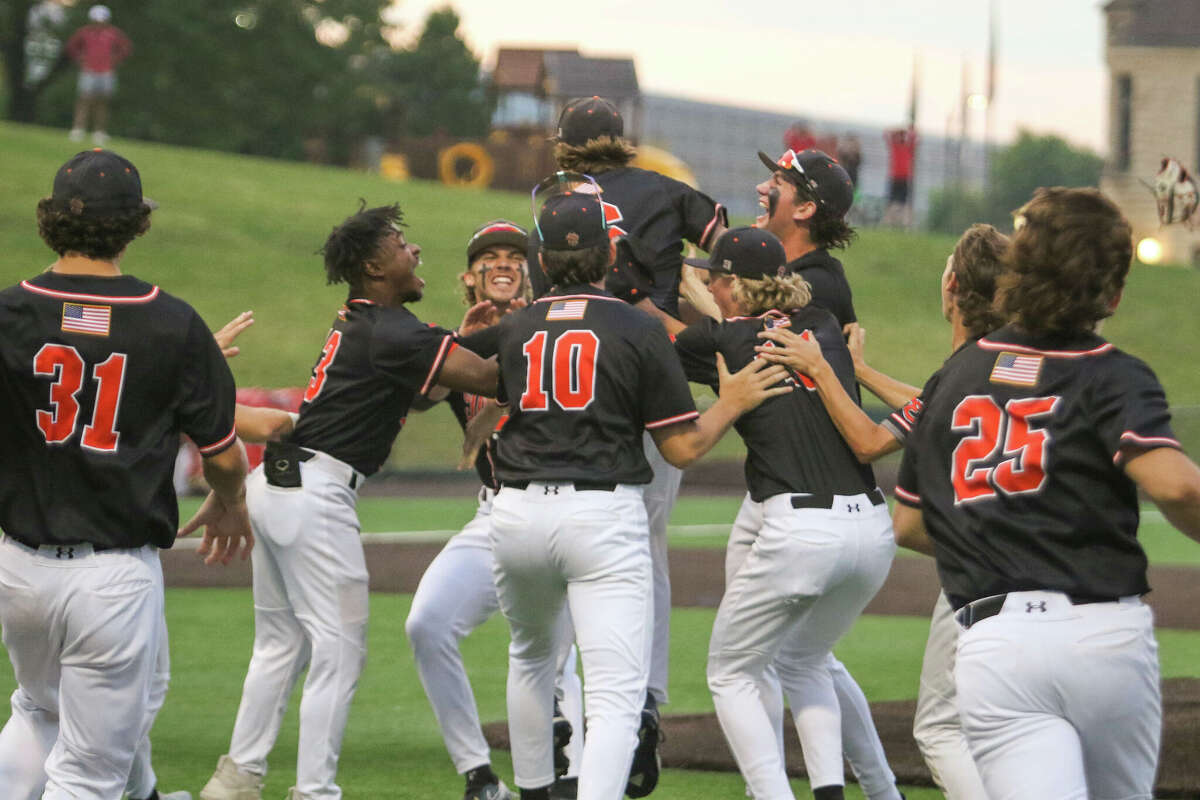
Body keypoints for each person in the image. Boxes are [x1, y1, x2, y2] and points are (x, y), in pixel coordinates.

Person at [892, 187, 1200, 799]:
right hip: (1100, 634)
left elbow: (909, 526)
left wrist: (1004, 538)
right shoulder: (1111, 371)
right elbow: (1178, 485)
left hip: (995, 644)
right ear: (1110, 292)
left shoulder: (956, 374)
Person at [488, 191, 788, 800]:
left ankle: (533, 792)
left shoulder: (515, 327)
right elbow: (680, 448)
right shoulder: (636, 326)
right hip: (600, 513)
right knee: (616, 693)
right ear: (610, 251)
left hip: (515, 510)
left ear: (540, 257)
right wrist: (731, 402)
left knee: (531, 660)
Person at [200, 202, 499, 800]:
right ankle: (314, 792)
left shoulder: (367, 324)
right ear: (372, 266)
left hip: (281, 485)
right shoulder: (392, 330)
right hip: (316, 494)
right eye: (400, 244)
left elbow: (421, 393)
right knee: (339, 651)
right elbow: (490, 378)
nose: (414, 252)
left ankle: (237, 780)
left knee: (281, 645)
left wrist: (463, 342)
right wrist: (528, 327)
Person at [0, 148, 253, 800]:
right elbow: (224, 455)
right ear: (137, 224)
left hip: (17, 565)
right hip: (111, 573)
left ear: (48, 219)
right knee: (87, 776)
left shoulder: (7, 312)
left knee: (36, 712)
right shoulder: (172, 323)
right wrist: (230, 500)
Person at [756, 224, 1009, 800]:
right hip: (1053, 582)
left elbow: (871, 443)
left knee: (942, 729)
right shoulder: (1004, 362)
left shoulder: (959, 371)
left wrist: (822, 370)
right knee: (1012, 731)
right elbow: (932, 401)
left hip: (984, 577)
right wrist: (863, 374)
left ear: (952, 288)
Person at [531, 96, 730, 792]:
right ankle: (640, 704)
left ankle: (561, 713)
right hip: (655, 372)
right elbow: (728, 246)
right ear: (623, 142)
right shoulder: (665, 189)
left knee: (554, 559)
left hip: (568, 389)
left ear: (566, 147)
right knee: (641, 551)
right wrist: (699, 310)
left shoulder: (551, 207)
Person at [673, 227, 895, 800]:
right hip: (871, 529)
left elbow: (679, 337)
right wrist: (712, 307)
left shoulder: (719, 340)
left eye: (715, 279)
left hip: (801, 529)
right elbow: (742, 324)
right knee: (804, 657)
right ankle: (858, 791)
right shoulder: (820, 322)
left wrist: (680, 303)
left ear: (729, 284)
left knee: (732, 672)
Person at [404, 219, 584, 800]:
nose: (503, 263)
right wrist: (460, 342)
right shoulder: (458, 342)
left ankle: (575, 776)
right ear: (469, 276)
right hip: (497, 510)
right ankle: (480, 776)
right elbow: (418, 397)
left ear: (533, 270)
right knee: (427, 624)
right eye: (490, 257)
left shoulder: (559, 326)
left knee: (556, 659)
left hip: (569, 509)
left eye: (515, 255)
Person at [755, 148, 858, 329]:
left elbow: (754, 343)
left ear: (804, 208)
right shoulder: (781, 269)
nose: (761, 187)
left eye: (776, 183)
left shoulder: (815, 289)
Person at [65, 5, 131, 145]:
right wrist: (80, 59)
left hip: (106, 71)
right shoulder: (84, 32)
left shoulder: (113, 33)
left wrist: (114, 60)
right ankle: (78, 129)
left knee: (103, 101)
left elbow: (125, 48)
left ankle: (99, 132)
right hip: (88, 69)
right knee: (84, 99)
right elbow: (72, 46)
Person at [882, 127, 916, 229]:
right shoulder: (895, 146)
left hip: (905, 178)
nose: (901, 138)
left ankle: (903, 224)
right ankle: (889, 223)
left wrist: (906, 131)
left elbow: (915, 137)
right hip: (895, 177)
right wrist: (897, 131)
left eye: (902, 136)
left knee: (903, 203)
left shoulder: (908, 147)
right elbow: (885, 134)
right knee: (892, 201)